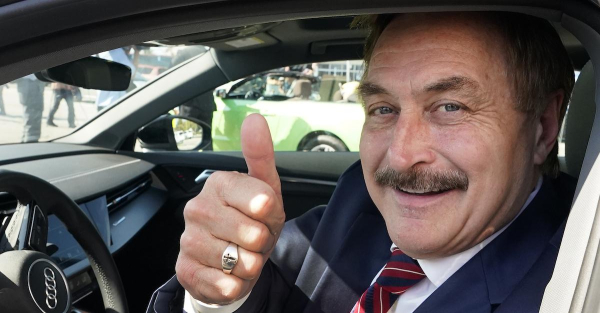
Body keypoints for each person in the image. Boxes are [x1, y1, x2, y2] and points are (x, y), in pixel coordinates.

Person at [147, 11, 575, 313]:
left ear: (542, 126)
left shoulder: (571, 283)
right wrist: (218, 294)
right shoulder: (358, 198)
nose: (401, 156)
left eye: (450, 107)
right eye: (384, 109)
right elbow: (268, 290)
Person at [16, 75, 45, 143]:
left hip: (30, 81)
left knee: (30, 110)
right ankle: (31, 137)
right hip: (30, 81)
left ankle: (27, 136)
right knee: (33, 110)